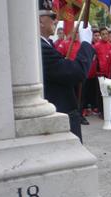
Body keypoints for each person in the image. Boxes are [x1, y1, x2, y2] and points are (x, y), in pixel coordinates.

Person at [39, 1, 94, 143]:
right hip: (60, 114)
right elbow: (77, 72)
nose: (55, 20)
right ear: (40, 21)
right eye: (51, 16)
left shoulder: (45, 45)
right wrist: (86, 44)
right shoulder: (41, 48)